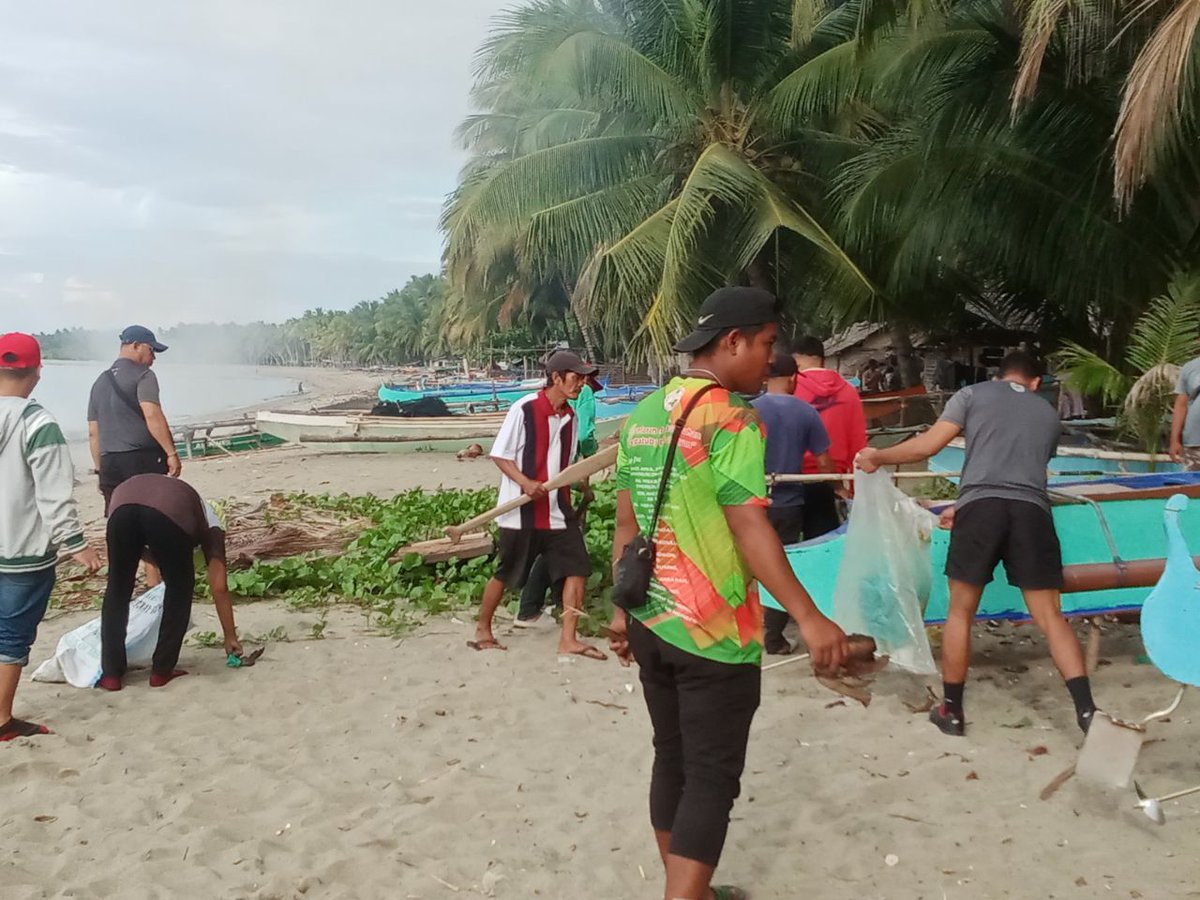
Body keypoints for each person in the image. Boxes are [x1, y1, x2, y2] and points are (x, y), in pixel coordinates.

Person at [607, 287, 849, 900]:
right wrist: (810, 617)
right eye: (767, 344)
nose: (771, 360)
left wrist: (617, 611)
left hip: (649, 617)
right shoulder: (734, 418)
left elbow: (625, 524)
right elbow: (748, 525)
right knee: (712, 778)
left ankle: (690, 890)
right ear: (733, 341)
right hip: (712, 630)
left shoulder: (644, 413)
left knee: (672, 757)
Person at [856, 351, 1097, 737]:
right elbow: (1019, 471)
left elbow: (927, 447)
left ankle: (951, 711)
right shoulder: (1048, 415)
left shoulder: (971, 395)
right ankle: (1087, 712)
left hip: (980, 510)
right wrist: (961, 507)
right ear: (1035, 382)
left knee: (961, 613)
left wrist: (878, 456)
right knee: (1051, 617)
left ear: (999, 375)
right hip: (1032, 511)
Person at [469, 351, 605, 660]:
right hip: (521, 511)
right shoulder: (525, 409)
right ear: (556, 378)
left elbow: (567, 464)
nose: (581, 384)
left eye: (583, 378)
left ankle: (568, 639)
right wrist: (526, 482)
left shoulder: (571, 418)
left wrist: (582, 483)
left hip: (558, 510)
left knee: (577, 568)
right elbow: (500, 455)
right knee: (507, 571)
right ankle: (483, 629)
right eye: (576, 377)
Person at [0, 334, 102, 741]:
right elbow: (53, 494)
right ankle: (3, 720)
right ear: (37, 373)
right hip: (22, 552)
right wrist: (76, 544)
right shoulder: (38, 424)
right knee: (12, 636)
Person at [98, 474, 242, 690]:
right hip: (165, 516)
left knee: (117, 589)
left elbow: (144, 550)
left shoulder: (192, 507)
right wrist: (230, 636)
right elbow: (219, 587)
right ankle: (161, 670)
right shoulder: (212, 526)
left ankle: (111, 674)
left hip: (120, 509)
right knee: (180, 588)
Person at [751, 352, 834, 655]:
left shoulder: (748, 410)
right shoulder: (806, 412)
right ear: (794, 379)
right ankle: (773, 638)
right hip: (788, 503)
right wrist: (833, 486)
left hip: (750, 502)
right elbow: (825, 462)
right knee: (780, 566)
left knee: (745, 564)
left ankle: (739, 632)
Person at [515, 371, 602, 628]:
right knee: (563, 543)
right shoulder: (584, 394)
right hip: (567, 476)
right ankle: (530, 608)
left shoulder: (552, 399)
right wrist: (590, 462)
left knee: (556, 541)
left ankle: (555, 600)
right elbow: (585, 436)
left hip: (550, 475)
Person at [88, 325, 181, 514]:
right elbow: (152, 415)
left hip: (109, 464)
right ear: (136, 345)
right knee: (151, 515)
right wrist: (171, 453)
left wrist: (100, 470)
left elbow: (93, 432)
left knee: (118, 520)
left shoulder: (100, 381)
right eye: (151, 350)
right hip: (141, 460)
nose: (153, 358)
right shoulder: (144, 375)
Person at [792, 336, 867, 538]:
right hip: (833, 481)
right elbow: (858, 443)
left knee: (785, 551)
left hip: (788, 479)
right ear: (823, 359)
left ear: (795, 360)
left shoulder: (789, 389)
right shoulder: (849, 392)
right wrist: (853, 490)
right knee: (822, 545)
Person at [1169, 354, 1200, 470]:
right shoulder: (1190, 367)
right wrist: (1174, 440)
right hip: (1194, 443)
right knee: (1193, 485)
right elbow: (1181, 405)